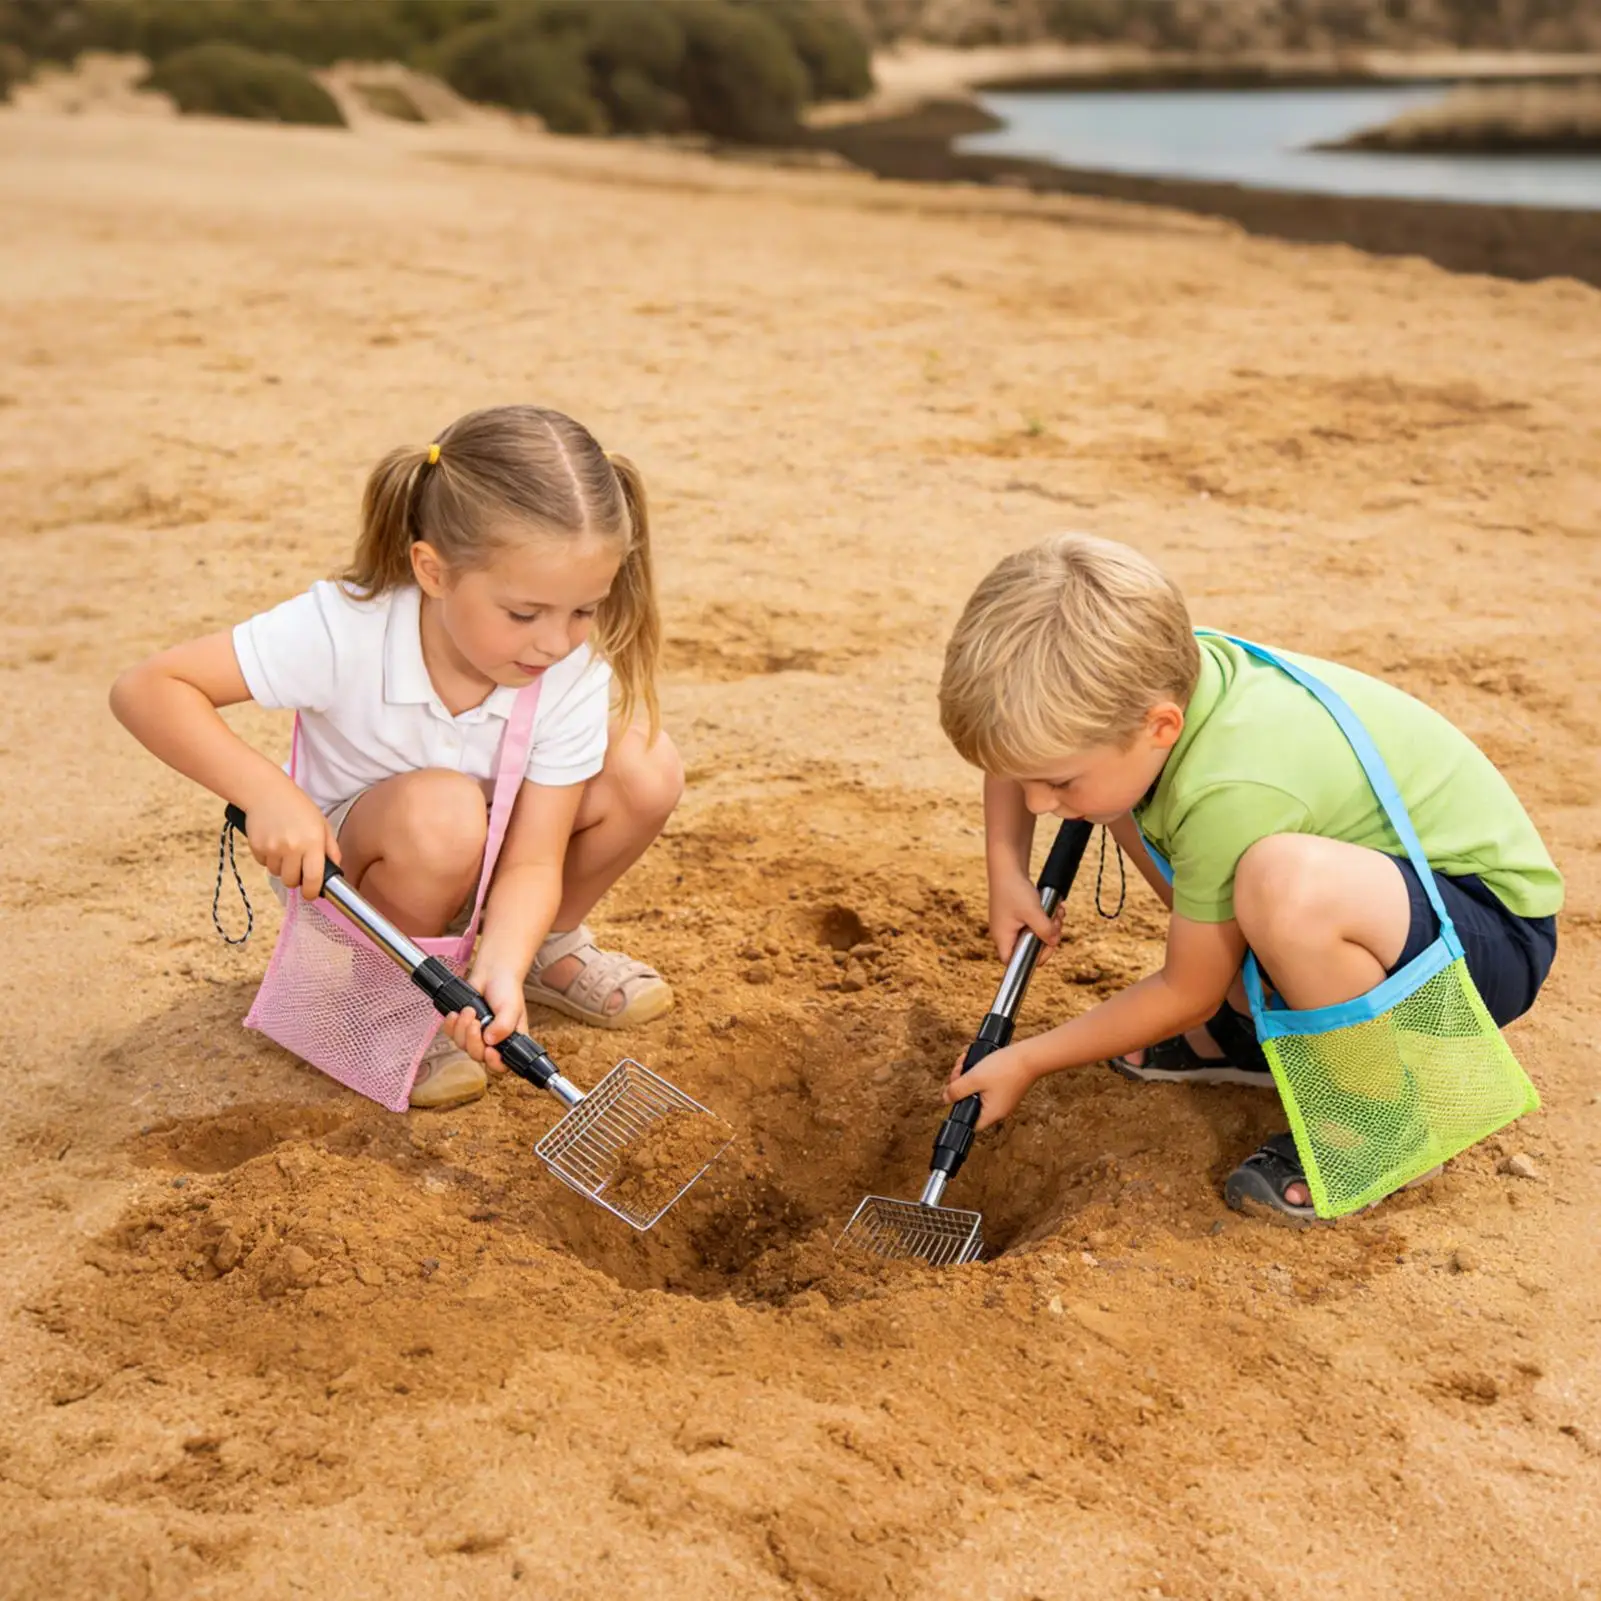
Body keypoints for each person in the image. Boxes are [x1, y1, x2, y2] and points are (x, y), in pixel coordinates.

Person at [936, 532, 1561, 1219]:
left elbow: (1185, 990)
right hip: (1383, 900)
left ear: (1159, 726)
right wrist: (1006, 867)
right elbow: (1018, 745)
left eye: (1052, 780)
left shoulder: (1234, 781)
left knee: (1278, 885)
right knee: (1116, 801)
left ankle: (1385, 1121)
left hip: (1479, 938)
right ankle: (1249, 1034)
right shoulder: (1139, 682)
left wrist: (1026, 1058)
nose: (1035, 803)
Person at [111, 404, 683, 1111]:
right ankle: (384, 998)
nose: (555, 642)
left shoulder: (567, 668)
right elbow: (148, 688)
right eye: (523, 612)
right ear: (433, 570)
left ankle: (532, 953)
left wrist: (498, 965)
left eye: (583, 610)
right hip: (360, 879)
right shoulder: (344, 626)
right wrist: (268, 793)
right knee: (442, 812)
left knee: (643, 767)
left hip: (491, 856)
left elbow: (535, 857)